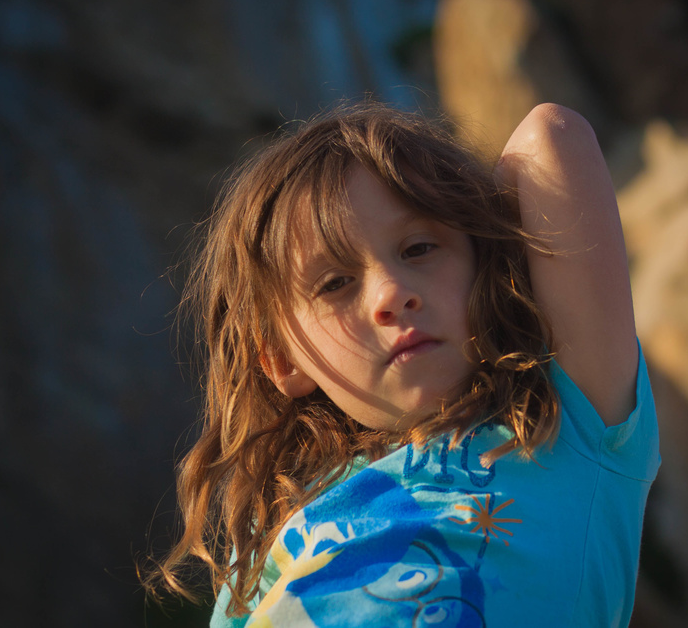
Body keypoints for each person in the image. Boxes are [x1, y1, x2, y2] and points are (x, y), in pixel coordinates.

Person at [149, 102, 660, 627]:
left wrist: (495, 247)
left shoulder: (568, 423)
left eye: (418, 248)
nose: (391, 293)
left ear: (485, 261)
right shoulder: (275, 543)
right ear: (282, 361)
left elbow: (552, 136)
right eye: (335, 283)